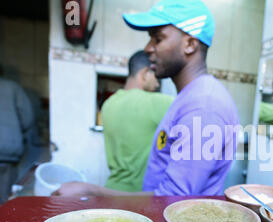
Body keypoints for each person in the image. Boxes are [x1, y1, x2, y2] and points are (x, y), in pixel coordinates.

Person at [53, 0, 239, 197]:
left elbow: (172, 200)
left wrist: (92, 191)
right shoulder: (191, 97)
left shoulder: (203, 105)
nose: (148, 48)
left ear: (190, 44)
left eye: (158, 39)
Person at [101, 50, 173, 192]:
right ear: (145, 73)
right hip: (139, 196)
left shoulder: (108, 104)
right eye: (156, 78)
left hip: (111, 190)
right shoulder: (156, 102)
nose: (158, 85)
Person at [0, 76, 34, 203]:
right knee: (6, 195)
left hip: (8, 149)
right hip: (8, 148)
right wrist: (17, 132)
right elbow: (27, 117)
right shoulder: (12, 88)